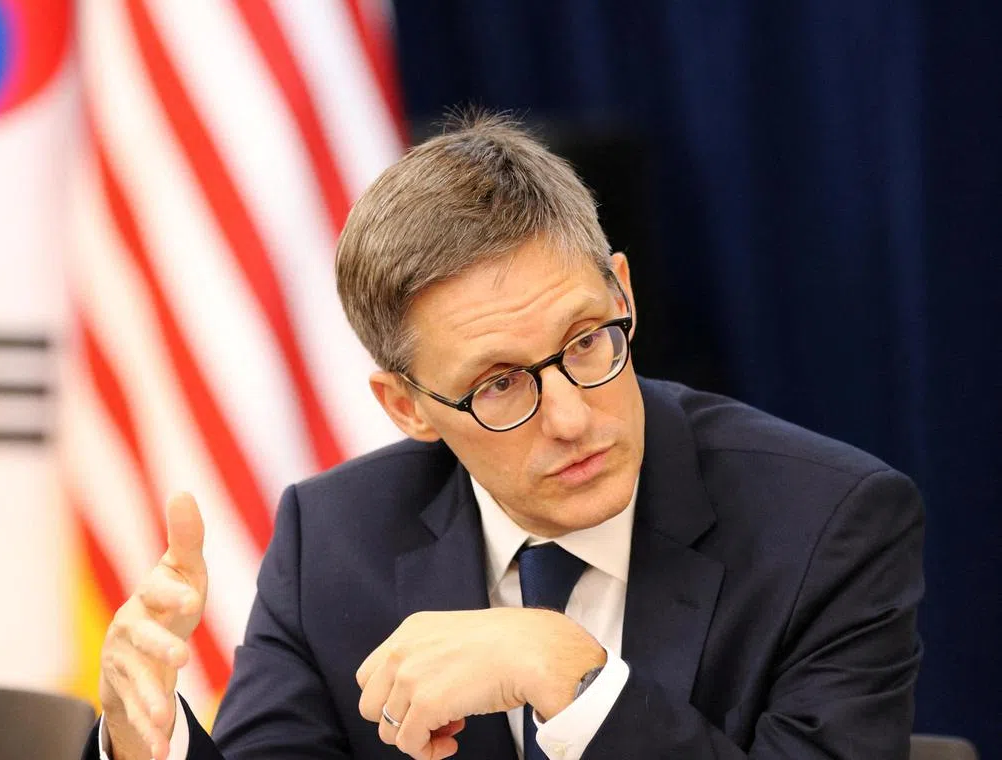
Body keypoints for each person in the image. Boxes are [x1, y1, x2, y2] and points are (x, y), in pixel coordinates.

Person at [85, 115, 924, 760]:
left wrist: (568, 674)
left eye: (588, 340)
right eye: (499, 384)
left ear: (622, 291)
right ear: (406, 408)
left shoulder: (827, 523)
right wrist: (145, 742)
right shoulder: (333, 542)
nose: (570, 416)